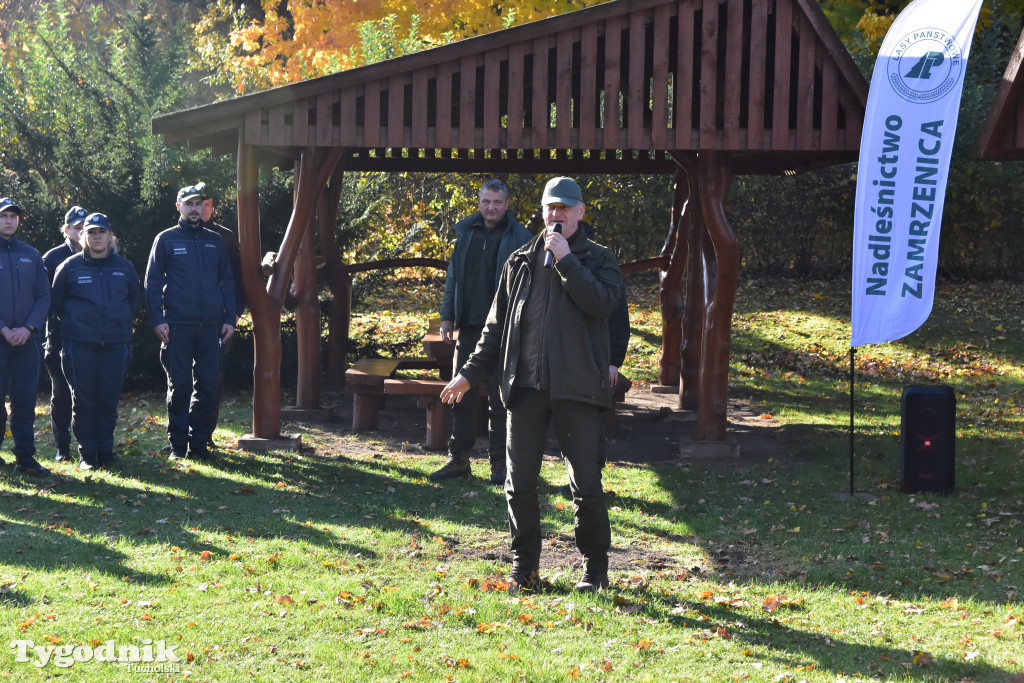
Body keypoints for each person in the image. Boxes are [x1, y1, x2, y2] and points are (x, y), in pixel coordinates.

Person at [439, 177, 622, 593]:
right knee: (518, 484)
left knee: (586, 486)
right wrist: (468, 374)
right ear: (541, 211)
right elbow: (494, 327)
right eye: (550, 207)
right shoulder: (520, 261)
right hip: (524, 391)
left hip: (578, 390)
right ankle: (525, 569)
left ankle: (594, 569)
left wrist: (567, 263)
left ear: (580, 212)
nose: (556, 215)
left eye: (565, 207)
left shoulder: (598, 260)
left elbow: (602, 304)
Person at [430, 179, 532, 485]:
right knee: (459, 395)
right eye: (486, 201)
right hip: (470, 327)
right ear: (479, 203)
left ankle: (499, 465)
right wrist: (447, 316)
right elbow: (453, 279)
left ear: (507, 204)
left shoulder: (521, 237)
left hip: (504, 331)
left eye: (497, 202)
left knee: (501, 401)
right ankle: (458, 458)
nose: (491, 207)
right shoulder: (465, 234)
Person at [145, 185, 237, 461]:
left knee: (208, 385)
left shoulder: (216, 241)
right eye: (189, 204)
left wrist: (229, 318)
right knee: (180, 386)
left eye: (199, 204)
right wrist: (157, 320)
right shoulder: (166, 239)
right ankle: (177, 446)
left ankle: (198, 445)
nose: (195, 208)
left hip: (211, 327)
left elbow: (228, 282)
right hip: (176, 326)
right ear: (179, 207)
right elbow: (151, 283)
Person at [51, 213, 141, 470]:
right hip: (79, 343)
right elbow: (58, 304)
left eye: (102, 232)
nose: (97, 236)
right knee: (84, 398)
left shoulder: (124, 267)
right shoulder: (69, 267)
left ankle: (105, 450)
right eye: (91, 232)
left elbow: (133, 301)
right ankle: (87, 455)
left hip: (115, 343)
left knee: (109, 398)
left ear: (110, 236)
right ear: (83, 236)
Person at [0, 197, 51, 476]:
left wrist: (28, 328)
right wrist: (5, 329)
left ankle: (25, 458)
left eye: (13, 216)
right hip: (1, 339)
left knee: (24, 400)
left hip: (27, 341)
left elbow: (44, 296)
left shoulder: (31, 254)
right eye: (3, 215)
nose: (9, 220)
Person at [197, 183, 245, 449]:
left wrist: (234, 313)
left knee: (213, 378)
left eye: (207, 204)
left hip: (219, 320)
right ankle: (179, 436)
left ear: (213, 206)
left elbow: (236, 279)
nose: (202, 209)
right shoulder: (171, 237)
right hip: (184, 318)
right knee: (179, 380)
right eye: (197, 204)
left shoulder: (225, 237)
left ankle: (205, 435)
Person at [42, 205, 87, 463]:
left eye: (85, 227)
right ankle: (62, 448)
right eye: (76, 227)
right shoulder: (51, 258)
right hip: (58, 338)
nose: (81, 232)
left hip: (90, 337)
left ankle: (90, 446)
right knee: (61, 395)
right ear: (67, 229)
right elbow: (44, 299)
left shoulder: (101, 254)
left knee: (89, 394)